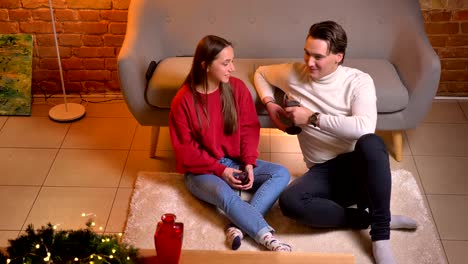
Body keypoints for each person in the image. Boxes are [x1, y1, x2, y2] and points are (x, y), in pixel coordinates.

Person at [253, 21, 417, 264]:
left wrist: (313, 118)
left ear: (338, 57)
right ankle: (376, 219)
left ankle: (380, 235)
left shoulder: (358, 81)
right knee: (289, 202)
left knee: (371, 143)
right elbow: (260, 73)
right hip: (323, 172)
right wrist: (270, 103)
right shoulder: (294, 73)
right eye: (307, 53)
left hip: (360, 169)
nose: (309, 62)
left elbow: (364, 127)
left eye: (318, 57)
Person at [169, 35, 292, 252]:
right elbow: (186, 152)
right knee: (224, 195)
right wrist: (220, 170)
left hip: (233, 161)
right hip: (200, 171)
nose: (232, 68)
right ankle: (267, 238)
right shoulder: (183, 100)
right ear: (205, 65)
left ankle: (237, 228)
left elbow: (249, 129)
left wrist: (248, 163)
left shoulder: (236, 88)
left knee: (281, 173)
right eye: (226, 63)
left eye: (232, 61)